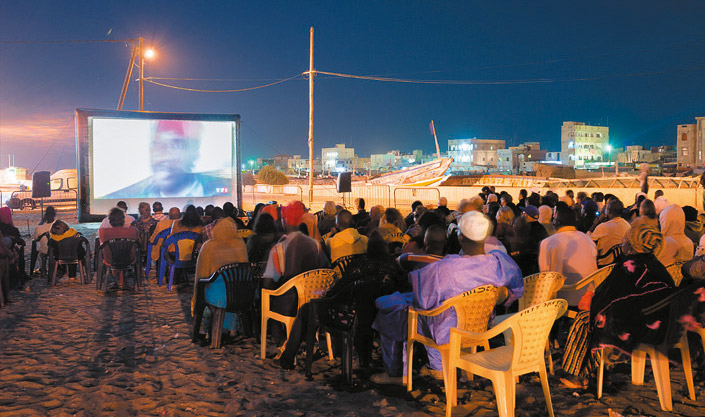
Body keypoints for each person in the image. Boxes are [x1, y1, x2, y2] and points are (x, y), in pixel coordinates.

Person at [371, 211, 523, 382]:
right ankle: (438, 366)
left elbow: (423, 301)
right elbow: (515, 290)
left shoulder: (443, 269)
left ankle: (398, 373)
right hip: (481, 325)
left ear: (460, 238)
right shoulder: (499, 262)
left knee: (392, 312)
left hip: (449, 331)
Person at [261, 201, 329, 350]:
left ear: (284, 222)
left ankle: (281, 342)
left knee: (269, 300)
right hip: (315, 301)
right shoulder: (316, 245)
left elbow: (268, 282)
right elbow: (326, 269)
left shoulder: (279, 249)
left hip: (289, 305)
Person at [102, 120, 231, 198]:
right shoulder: (123, 196)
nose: (163, 153)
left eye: (175, 144)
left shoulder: (223, 189)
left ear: (194, 152)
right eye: (157, 143)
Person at [191, 215, 248, 337]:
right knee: (228, 291)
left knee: (211, 293)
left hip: (216, 296)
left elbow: (202, 274)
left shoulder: (209, 246)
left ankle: (205, 330)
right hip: (240, 293)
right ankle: (232, 328)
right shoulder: (240, 243)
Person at [538, 203, 597, 306]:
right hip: (590, 294)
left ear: (556, 222)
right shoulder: (588, 239)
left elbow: (544, 274)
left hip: (562, 297)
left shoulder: (548, 242)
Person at [99, 208, 140, 288]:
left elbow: (103, 246)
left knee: (114, 253)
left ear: (110, 220)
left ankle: (119, 279)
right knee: (123, 252)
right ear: (123, 219)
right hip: (129, 259)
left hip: (110, 259)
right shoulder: (133, 231)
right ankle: (122, 279)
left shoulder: (103, 232)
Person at [588, 199, 630, 265]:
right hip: (621, 263)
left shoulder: (603, 227)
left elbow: (587, 239)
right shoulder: (628, 225)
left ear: (608, 211)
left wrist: (595, 223)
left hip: (604, 265)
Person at [32, 206, 56, 274]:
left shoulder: (39, 228)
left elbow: (35, 238)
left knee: (39, 248)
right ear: (54, 214)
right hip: (56, 249)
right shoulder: (59, 225)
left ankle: (42, 268)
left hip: (44, 250)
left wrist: (42, 221)